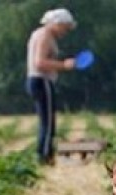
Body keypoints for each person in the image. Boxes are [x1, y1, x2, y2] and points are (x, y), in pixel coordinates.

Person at [26, 8, 77, 166]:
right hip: (42, 81)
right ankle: (45, 156)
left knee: (46, 120)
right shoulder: (45, 36)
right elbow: (39, 63)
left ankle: (44, 154)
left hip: (37, 81)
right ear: (57, 23)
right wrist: (64, 65)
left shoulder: (39, 33)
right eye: (65, 27)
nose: (66, 31)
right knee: (48, 122)